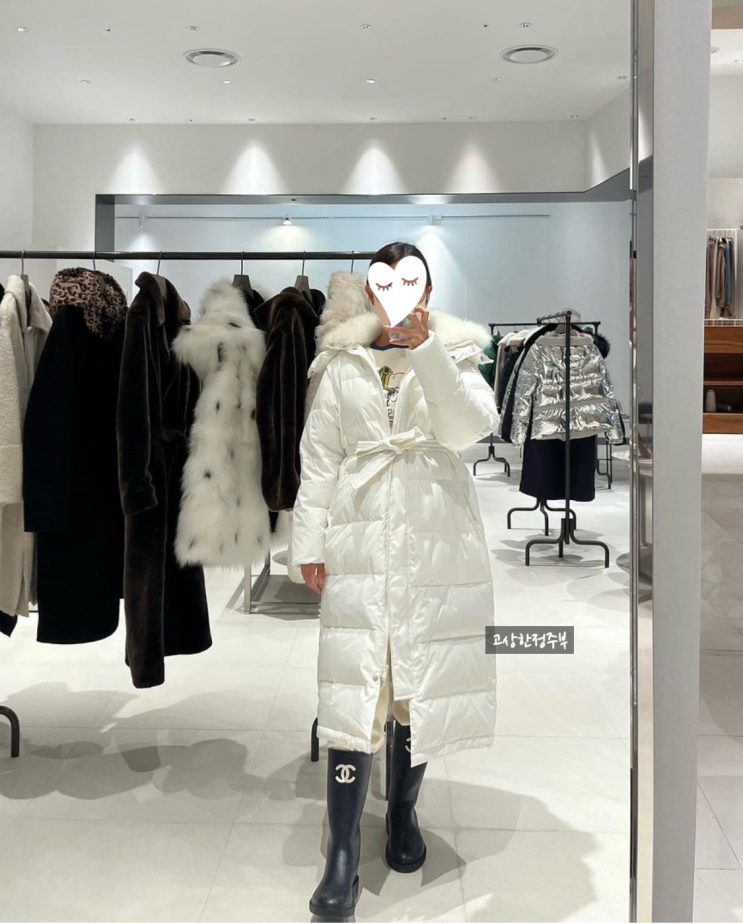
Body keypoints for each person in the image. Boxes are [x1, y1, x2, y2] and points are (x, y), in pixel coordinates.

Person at [291, 241, 499, 918]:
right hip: (358, 535)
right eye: (386, 287)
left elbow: (467, 430)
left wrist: (426, 351)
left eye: (412, 286)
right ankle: (342, 849)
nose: (398, 299)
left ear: (427, 293)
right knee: (354, 689)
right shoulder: (341, 361)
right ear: (371, 293)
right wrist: (309, 543)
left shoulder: (457, 353)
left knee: (416, 684)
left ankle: (403, 812)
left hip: (434, 538)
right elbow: (319, 458)